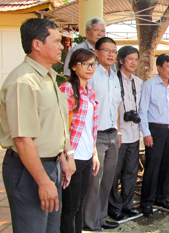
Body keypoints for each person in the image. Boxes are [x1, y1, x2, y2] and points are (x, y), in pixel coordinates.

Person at [0, 18, 75, 233]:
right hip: (30, 169)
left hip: (50, 167)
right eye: (57, 41)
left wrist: (61, 158)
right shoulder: (24, 82)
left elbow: (49, 127)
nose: (62, 46)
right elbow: (23, 140)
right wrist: (43, 181)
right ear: (37, 44)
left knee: (51, 229)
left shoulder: (47, 77)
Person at [59, 49, 101, 233]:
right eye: (86, 64)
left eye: (93, 64)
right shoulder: (66, 89)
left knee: (79, 207)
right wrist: (66, 158)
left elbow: (91, 127)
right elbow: (60, 127)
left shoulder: (89, 91)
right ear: (74, 66)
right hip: (72, 157)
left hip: (86, 156)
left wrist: (94, 154)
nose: (90, 68)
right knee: (70, 208)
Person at [83, 37, 122, 231]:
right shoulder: (91, 75)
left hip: (112, 134)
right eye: (107, 50)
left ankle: (100, 217)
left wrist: (118, 132)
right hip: (95, 135)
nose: (111, 55)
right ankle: (89, 222)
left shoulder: (114, 77)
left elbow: (115, 107)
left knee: (107, 180)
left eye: (114, 51)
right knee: (94, 181)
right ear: (96, 52)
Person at [139, 54, 169, 217]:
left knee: (167, 166)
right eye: (168, 66)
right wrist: (146, 133)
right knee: (152, 168)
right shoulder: (149, 85)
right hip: (155, 131)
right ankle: (146, 202)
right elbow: (143, 111)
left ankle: (161, 198)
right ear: (159, 67)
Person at [108, 46, 143, 220]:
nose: (133, 63)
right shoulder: (113, 80)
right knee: (115, 172)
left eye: (136, 59)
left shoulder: (138, 82)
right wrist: (118, 130)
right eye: (130, 59)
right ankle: (113, 207)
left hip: (134, 133)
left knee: (131, 171)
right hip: (119, 134)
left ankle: (127, 204)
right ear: (121, 60)